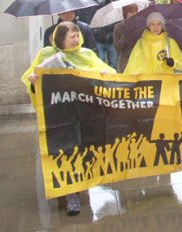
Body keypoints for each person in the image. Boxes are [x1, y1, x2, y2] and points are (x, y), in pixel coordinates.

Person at [22, 21, 115, 216]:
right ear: (60, 39)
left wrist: (106, 74)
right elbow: (34, 85)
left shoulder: (87, 55)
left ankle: (79, 185)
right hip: (60, 115)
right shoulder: (47, 55)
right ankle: (70, 193)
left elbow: (109, 74)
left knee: (81, 150)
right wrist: (34, 81)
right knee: (65, 151)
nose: (75, 39)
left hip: (84, 114)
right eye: (71, 36)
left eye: (76, 35)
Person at [93, 0, 122, 68]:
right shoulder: (101, 4)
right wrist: (95, 32)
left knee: (113, 64)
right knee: (99, 63)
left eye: (117, 0)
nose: (115, 1)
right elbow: (92, 18)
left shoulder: (121, 7)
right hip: (99, 38)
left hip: (112, 40)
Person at [113, 3, 139, 73]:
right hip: (125, 60)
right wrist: (125, 37)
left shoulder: (140, 25)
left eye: (136, 12)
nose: (134, 14)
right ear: (125, 13)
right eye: (131, 12)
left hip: (139, 60)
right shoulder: (118, 27)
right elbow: (116, 47)